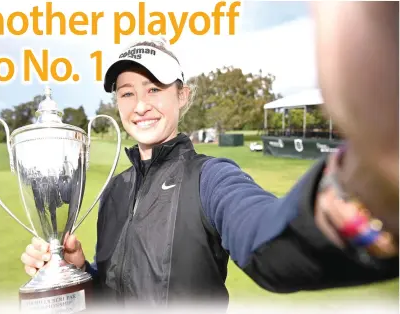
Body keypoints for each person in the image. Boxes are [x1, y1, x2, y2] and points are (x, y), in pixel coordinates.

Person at [21, 10, 398, 308]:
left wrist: (363, 194)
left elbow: (268, 244)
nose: (141, 106)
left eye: (154, 89)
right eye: (127, 93)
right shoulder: (114, 191)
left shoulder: (211, 177)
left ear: (182, 96)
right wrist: (78, 271)